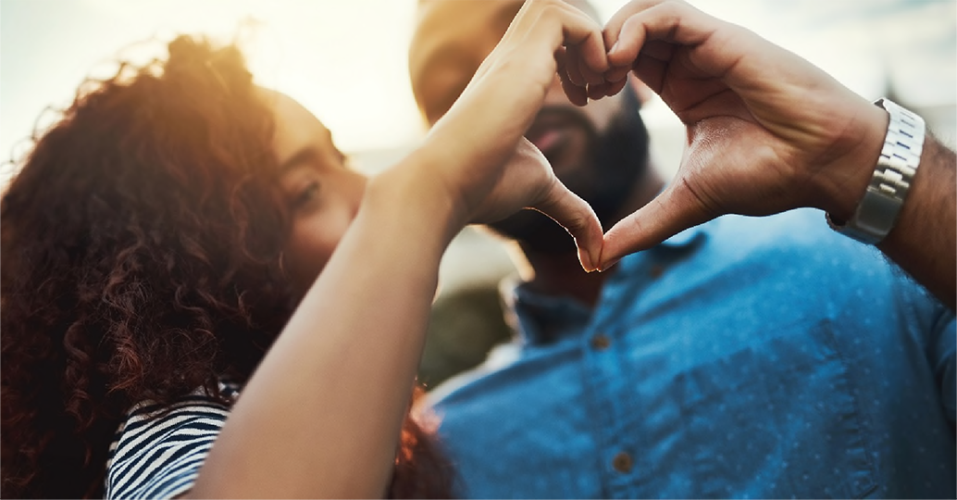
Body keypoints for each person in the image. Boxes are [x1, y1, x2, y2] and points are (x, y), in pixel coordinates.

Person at [0, 1, 609, 498]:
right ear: (201, 263)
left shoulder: (381, 440)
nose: (372, 191)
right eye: (308, 189)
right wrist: (430, 189)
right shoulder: (179, 427)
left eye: (340, 160)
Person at [409, 0, 957, 497]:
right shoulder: (436, 451)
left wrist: (858, 156)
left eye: (540, 47)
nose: (513, 90)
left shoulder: (880, 262)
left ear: (636, 72)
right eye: (458, 88)